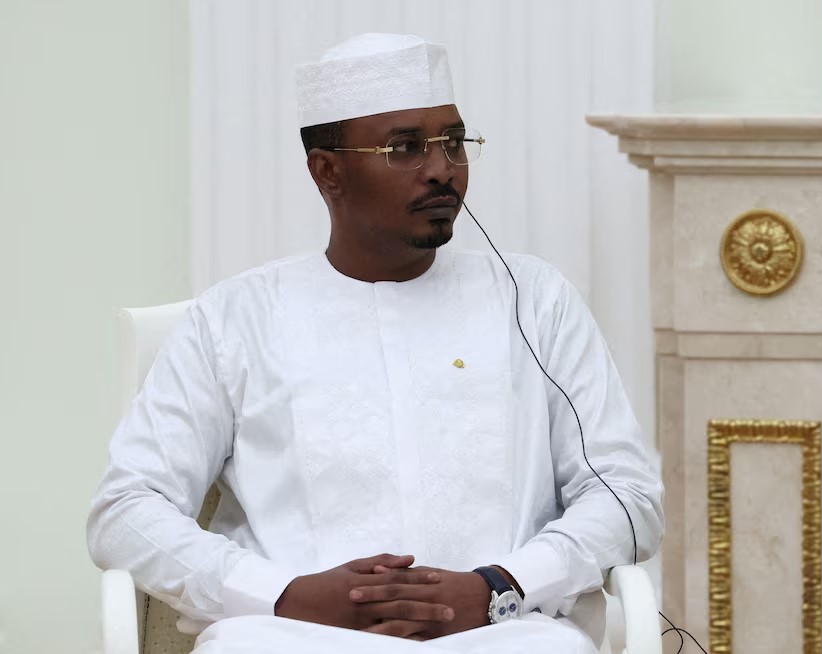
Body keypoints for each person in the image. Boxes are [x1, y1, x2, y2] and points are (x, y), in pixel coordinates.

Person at [87, 33, 664, 654]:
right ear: (327, 171)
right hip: (290, 636)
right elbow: (126, 510)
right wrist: (284, 594)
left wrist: (502, 585)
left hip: (505, 631)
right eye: (405, 148)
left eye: (453, 142)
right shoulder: (233, 319)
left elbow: (626, 495)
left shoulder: (535, 300)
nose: (442, 169)